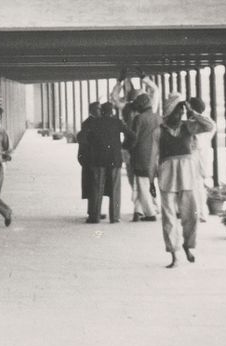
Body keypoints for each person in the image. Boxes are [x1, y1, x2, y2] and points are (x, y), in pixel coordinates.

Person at [157, 94, 216, 268]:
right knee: (168, 217)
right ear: (168, 113)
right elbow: (154, 155)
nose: (179, 115)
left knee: (191, 214)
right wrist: (152, 176)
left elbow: (210, 125)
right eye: (177, 111)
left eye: (182, 111)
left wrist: (192, 112)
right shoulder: (159, 130)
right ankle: (174, 252)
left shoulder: (189, 126)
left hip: (187, 176)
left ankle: (188, 245)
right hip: (167, 175)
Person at [77, 100, 125, 224]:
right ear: (93, 110)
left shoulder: (97, 122)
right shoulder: (90, 123)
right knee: (95, 187)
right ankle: (96, 213)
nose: (99, 111)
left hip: (98, 159)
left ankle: (95, 213)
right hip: (93, 159)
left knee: (96, 187)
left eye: (100, 109)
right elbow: (82, 139)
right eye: (97, 109)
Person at [126, 89, 160, 221]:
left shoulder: (138, 119)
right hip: (156, 156)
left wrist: (126, 148)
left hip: (141, 156)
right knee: (146, 184)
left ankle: (150, 213)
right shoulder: (159, 118)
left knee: (141, 185)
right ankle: (138, 211)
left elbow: (133, 138)